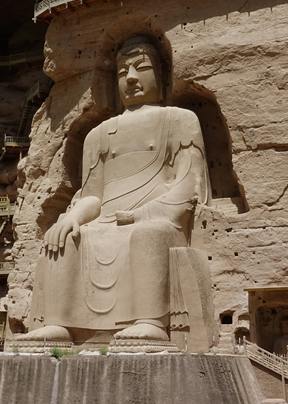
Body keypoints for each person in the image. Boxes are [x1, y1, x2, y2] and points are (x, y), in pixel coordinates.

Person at [27, 35, 210, 343]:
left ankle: (151, 322)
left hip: (158, 218)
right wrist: (72, 217)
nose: (132, 78)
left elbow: (188, 184)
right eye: (123, 71)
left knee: (148, 235)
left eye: (142, 67)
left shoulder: (178, 120)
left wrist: (142, 214)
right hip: (107, 220)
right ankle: (61, 325)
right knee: (66, 237)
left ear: (162, 75)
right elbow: (92, 195)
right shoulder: (98, 134)